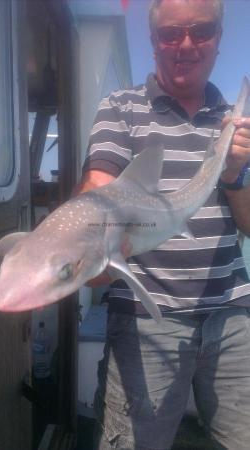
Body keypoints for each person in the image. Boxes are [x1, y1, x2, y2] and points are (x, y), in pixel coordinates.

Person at [78, 1, 250, 448]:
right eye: (171, 34)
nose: (186, 44)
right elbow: (99, 185)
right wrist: (77, 252)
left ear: (218, 39)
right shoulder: (121, 107)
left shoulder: (236, 128)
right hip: (145, 318)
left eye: (202, 31)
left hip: (233, 315)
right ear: (153, 42)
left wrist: (233, 175)